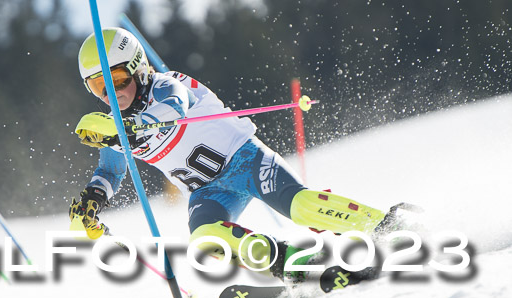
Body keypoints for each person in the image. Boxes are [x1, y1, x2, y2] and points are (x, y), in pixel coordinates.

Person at [69, 27, 394, 279]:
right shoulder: (116, 126)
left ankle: (384, 227)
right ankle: (296, 265)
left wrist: (127, 127)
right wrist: (93, 198)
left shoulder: (167, 85)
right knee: (206, 240)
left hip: (244, 160)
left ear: (139, 68)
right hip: (208, 190)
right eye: (99, 87)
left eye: (118, 79)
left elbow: (175, 109)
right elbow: (111, 170)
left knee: (300, 206)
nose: (113, 93)